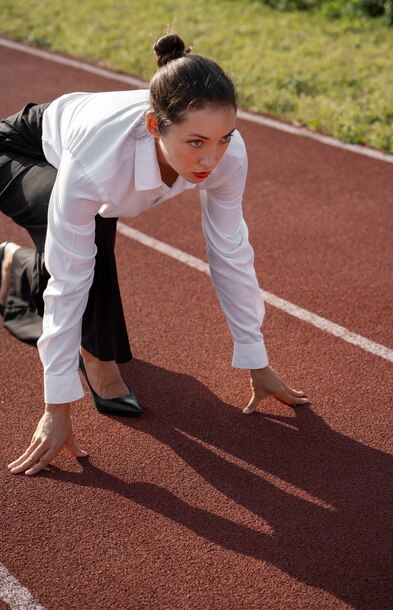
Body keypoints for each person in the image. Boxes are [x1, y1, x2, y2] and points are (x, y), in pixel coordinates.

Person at [0, 34, 308, 476]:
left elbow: (230, 250)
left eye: (224, 138)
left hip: (86, 163)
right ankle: (98, 357)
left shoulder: (227, 155)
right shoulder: (96, 166)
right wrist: (58, 406)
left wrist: (255, 358)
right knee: (84, 238)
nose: (212, 158)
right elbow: (70, 280)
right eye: (196, 142)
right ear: (153, 127)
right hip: (17, 149)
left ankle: (17, 266)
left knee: (87, 231)